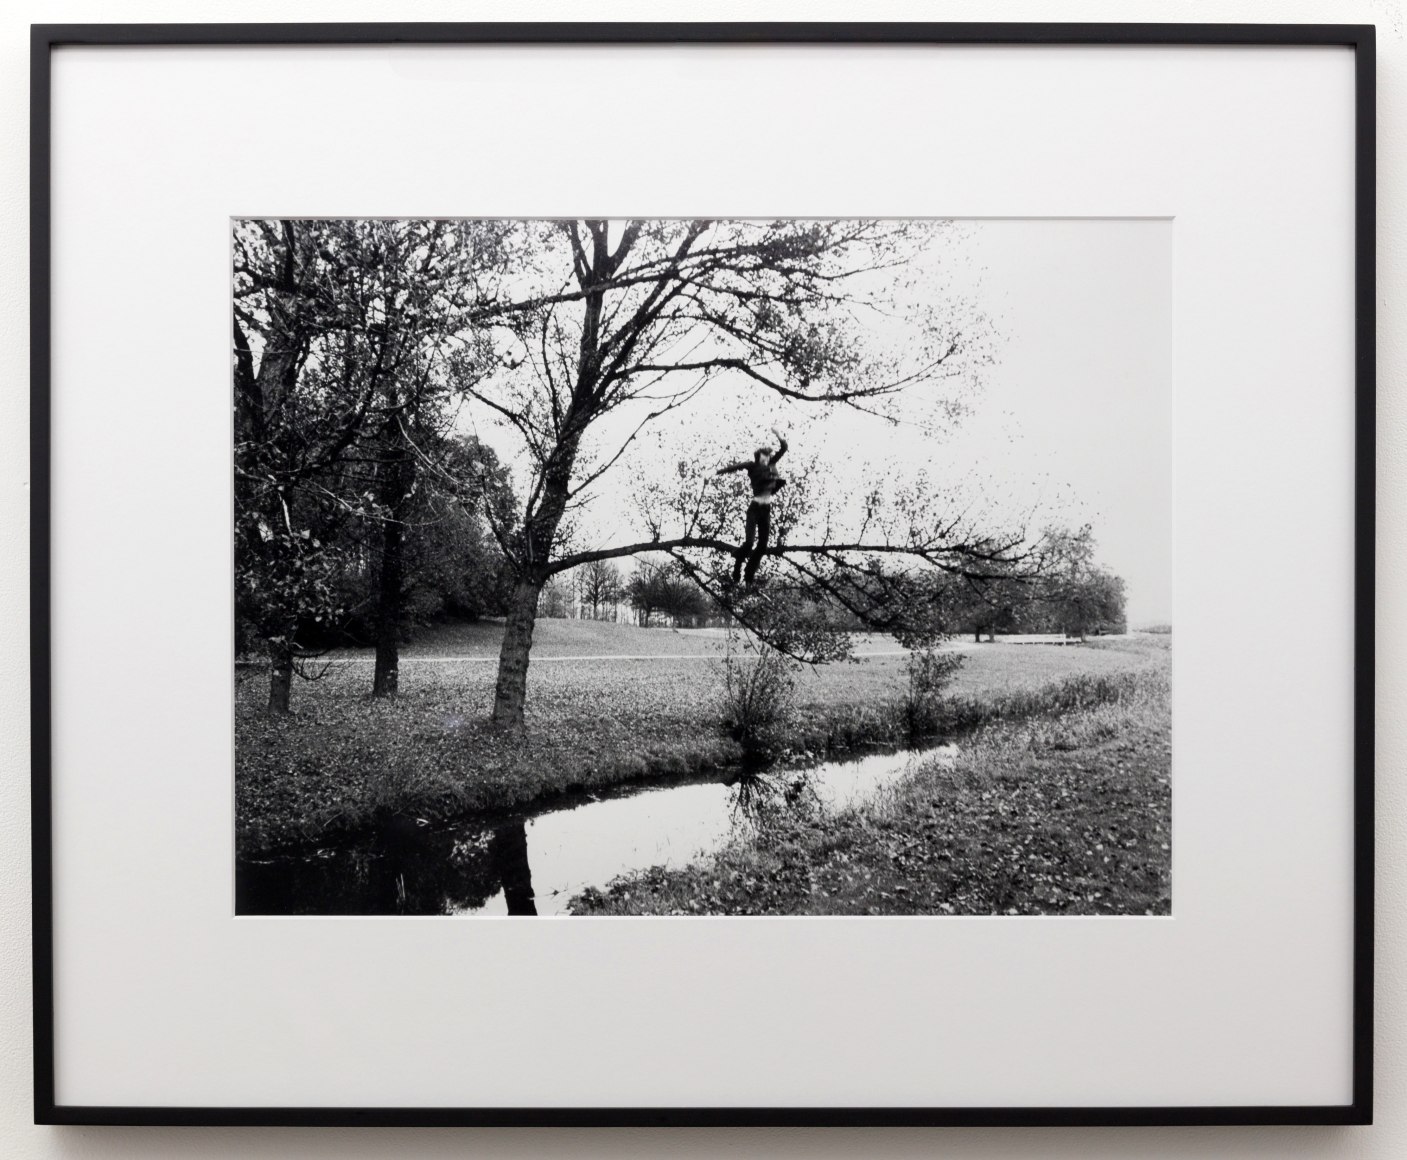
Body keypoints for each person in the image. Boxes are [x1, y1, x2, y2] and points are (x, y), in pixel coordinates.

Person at [716, 428, 788, 586]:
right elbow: (734, 467)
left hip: (766, 510)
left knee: (762, 546)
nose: (765, 461)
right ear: (758, 458)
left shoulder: (772, 464)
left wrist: (778, 434)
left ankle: (749, 577)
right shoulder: (752, 466)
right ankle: (737, 563)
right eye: (763, 458)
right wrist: (716, 472)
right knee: (749, 543)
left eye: (767, 458)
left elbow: (784, 448)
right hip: (754, 509)